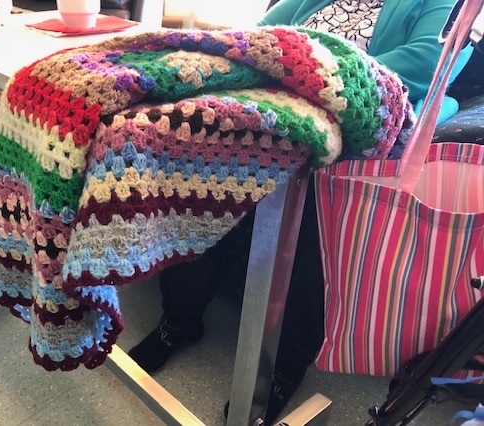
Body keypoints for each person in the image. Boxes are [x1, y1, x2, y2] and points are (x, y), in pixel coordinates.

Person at [127, 0, 474, 422]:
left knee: (310, 201)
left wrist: (303, 73)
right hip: (277, 113)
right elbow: (258, 38)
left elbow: (426, 67)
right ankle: (180, 317)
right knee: (194, 162)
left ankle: (284, 361)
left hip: (361, 132)